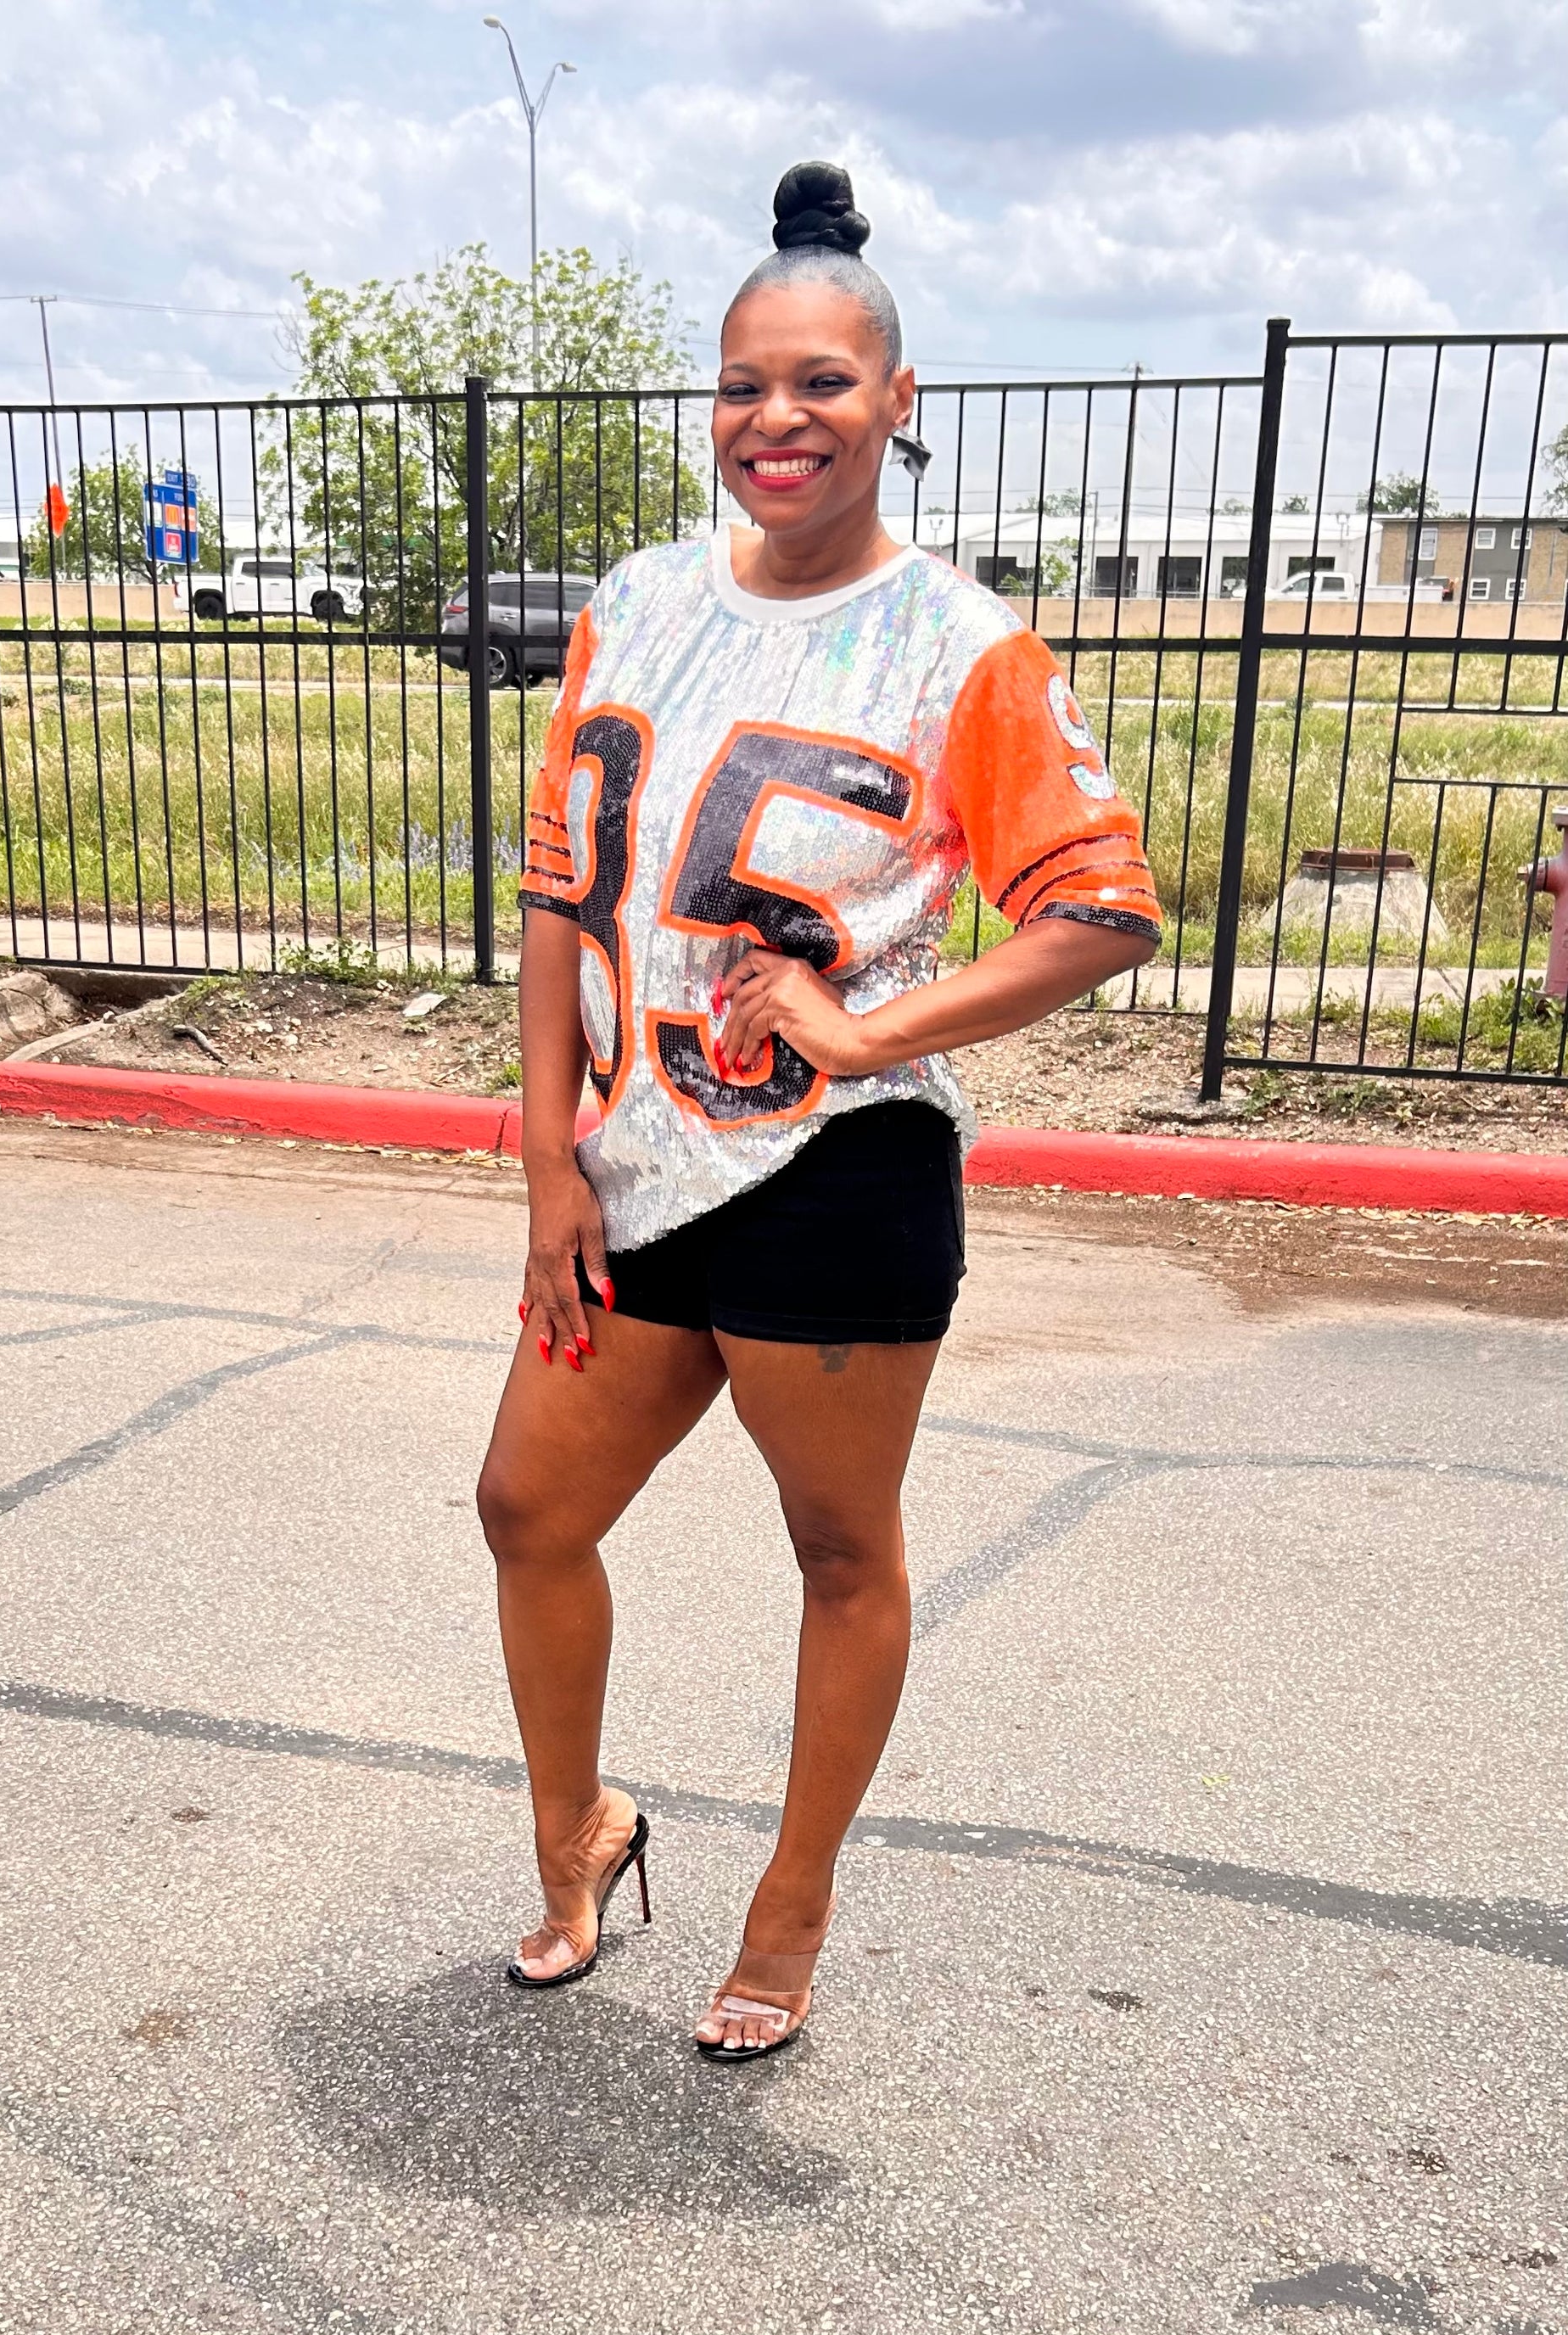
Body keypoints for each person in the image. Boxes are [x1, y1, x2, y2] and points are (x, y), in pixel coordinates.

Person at [476, 160, 1161, 2061]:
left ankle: (788, 1907)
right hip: (627, 1159)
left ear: (896, 398)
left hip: (835, 1177)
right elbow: (557, 888)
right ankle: (578, 1831)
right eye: (743, 385)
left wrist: (868, 1036)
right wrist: (546, 1162)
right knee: (526, 1504)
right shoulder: (634, 601)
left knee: (839, 1552)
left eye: (821, 384)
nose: (774, 419)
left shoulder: (958, 644)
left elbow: (1099, 909)